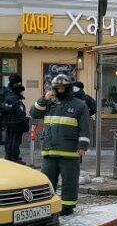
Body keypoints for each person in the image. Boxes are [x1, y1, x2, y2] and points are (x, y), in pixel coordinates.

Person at [31, 74, 90, 216]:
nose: (61, 90)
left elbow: (85, 128)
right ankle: (47, 205)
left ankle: (67, 207)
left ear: (69, 88)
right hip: (49, 152)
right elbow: (33, 113)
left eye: (64, 87)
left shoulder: (79, 105)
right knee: (47, 182)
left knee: (69, 181)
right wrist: (44, 99)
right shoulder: (49, 103)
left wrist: (82, 146)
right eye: (58, 88)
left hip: (69, 153)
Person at [3, 74, 29, 163]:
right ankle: (14, 157)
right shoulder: (17, 100)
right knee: (15, 141)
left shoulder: (7, 95)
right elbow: (21, 115)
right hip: (16, 124)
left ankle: (8, 155)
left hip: (8, 122)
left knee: (9, 140)